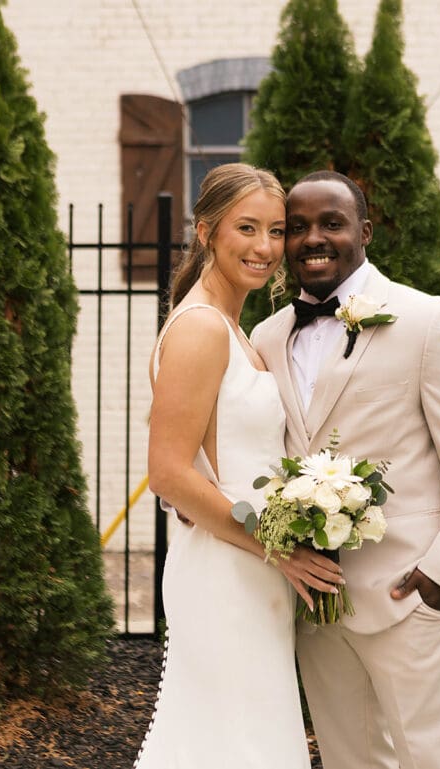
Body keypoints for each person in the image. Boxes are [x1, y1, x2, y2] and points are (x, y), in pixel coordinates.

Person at [252, 170, 440, 769]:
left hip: (409, 595)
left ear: (364, 232)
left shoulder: (428, 321)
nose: (313, 238)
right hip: (317, 607)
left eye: (332, 223)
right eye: (297, 227)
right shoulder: (267, 336)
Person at [134, 163, 343, 768]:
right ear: (206, 232)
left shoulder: (234, 328)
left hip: (252, 568)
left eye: (275, 231)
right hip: (225, 573)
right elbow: (169, 474)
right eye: (246, 228)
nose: (265, 247)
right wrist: (280, 549)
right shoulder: (201, 328)